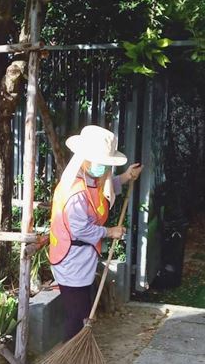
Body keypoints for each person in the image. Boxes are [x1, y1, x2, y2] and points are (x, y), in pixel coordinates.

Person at [49, 125, 142, 343]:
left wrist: (126, 176)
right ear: (85, 158)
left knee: (82, 308)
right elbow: (80, 229)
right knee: (76, 313)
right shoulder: (75, 191)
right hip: (71, 259)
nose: (104, 167)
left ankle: (77, 353)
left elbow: (103, 189)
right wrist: (110, 231)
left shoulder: (90, 178)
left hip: (82, 257)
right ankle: (71, 356)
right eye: (100, 161)